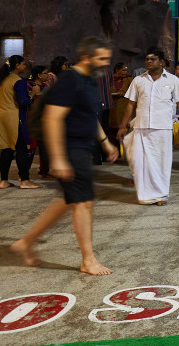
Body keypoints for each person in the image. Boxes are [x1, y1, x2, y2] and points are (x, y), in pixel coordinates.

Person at [10, 37, 119, 275]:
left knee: (69, 201)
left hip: (82, 148)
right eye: (101, 59)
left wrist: (105, 143)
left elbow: (90, 116)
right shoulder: (70, 79)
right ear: (87, 58)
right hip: (69, 149)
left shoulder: (89, 80)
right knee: (83, 202)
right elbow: (52, 118)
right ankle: (88, 260)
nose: (105, 64)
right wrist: (58, 159)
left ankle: (26, 243)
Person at [119, 48, 179, 203]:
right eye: (147, 59)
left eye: (153, 59)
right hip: (141, 126)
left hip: (163, 127)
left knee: (161, 162)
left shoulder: (172, 80)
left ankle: (160, 195)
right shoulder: (138, 80)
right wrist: (122, 126)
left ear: (161, 61)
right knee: (140, 162)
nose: (149, 62)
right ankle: (145, 195)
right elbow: (131, 105)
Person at [0, 55, 40, 190]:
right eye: (23, 65)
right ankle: (25, 181)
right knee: (21, 149)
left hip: (0, 117)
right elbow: (23, 102)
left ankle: (3, 181)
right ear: (17, 66)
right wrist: (33, 94)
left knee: (7, 149)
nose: (24, 67)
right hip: (14, 118)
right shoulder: (18, 81)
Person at [108, 62, 130, 143]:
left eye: (126, 70)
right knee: (112, 133)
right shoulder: (109, 79)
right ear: (117, 70)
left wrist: (124, 94)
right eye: (123, 70)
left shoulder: (128, 79)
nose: (125, 72)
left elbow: (132, 93)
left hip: (124, 109)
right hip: (112, 110)